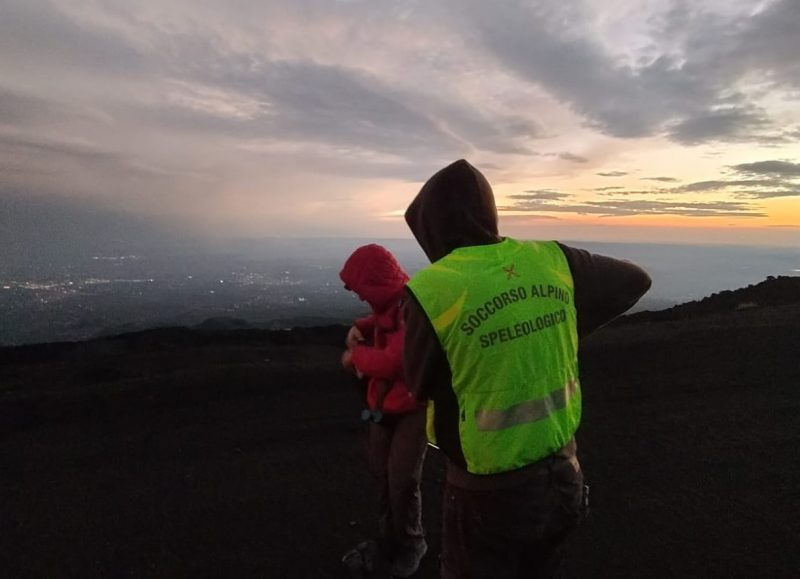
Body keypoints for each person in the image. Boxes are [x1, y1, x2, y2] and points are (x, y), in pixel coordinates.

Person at [403, 160, 652, 578]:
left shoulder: (434, 288)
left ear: (431, 227)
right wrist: (558, 327)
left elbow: (419, 382)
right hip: (563, 474)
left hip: (487, 494)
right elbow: (635, 280)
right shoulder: (551, 260)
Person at [339, 244, 429, 578]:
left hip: (411, 410)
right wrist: (361, 326)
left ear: (376, 282)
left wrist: (353, 358)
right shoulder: (395, 303)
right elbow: (381, 316)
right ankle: (388, 540)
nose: (362, 297)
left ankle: (410, 546)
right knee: (383, 476)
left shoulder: (411, 308)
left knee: (402, 481)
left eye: (363, 289)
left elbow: (396, 360)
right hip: (386, 406)